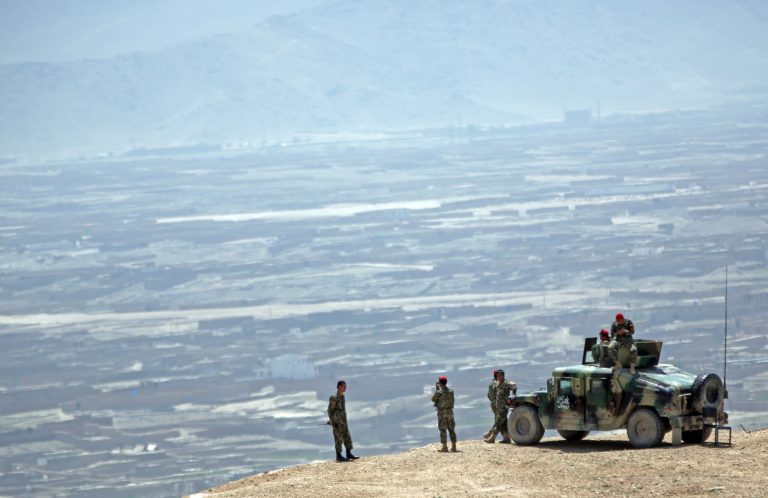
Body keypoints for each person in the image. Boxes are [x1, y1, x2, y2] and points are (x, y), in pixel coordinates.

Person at [327, 380, 358, 462]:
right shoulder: (334, 397)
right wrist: (332, 421)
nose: (345, 388)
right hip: (337, 422)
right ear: (339, 386)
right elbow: (330, 410)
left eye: (346, 386)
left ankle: (348, 453)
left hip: (343, 421)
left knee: (347, 437)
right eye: (344, 386)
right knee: (338, 439)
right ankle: (339, 456)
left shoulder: (342, 396)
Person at [484, 369, 516, 443]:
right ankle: (507, 438)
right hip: (498, 406)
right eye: (497, 376)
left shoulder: (506, 383)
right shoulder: (497, 384)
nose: (498, 377)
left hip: (504, 407)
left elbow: (514, 387)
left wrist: (513, 396)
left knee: (498, 422)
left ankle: (492, 437)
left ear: (503, 376)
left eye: (500, 376)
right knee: (503, 422)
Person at [431, 375, 457, 452]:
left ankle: (444, 447)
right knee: (451, 429)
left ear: (440, 383)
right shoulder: (451, 391)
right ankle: (454, 446)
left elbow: (433, 399)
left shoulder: (439, 392)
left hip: (442, 413)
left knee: (443, 429)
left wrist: (437, 389)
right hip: (450, 412)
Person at [482, 370, 499, 439]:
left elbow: (489, 395)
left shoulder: (491, 384)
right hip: (499, 404)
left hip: (494, 404)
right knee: (499, 420)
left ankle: (506, 437)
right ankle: (491, 434)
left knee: (500, 419)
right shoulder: (500, 383)